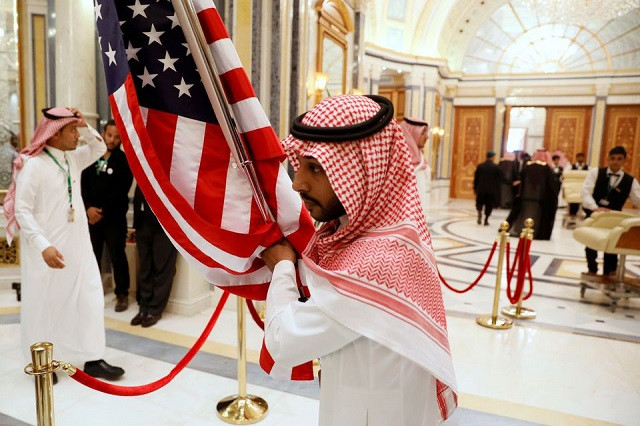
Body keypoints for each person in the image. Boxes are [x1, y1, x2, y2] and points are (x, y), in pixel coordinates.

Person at [261, 95, 457, 425]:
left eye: (316, 168)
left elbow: (284, 342)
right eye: (300, 166)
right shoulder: (387, 231)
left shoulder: (377, 261)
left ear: (362, 172)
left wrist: (281, 266)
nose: (297, 184)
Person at [5, 107, 125, 382]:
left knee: (90, 299)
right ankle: (43, 363)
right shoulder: (34, 166)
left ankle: (93, 357)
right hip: (48, 252)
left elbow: (97, 148)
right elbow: (22, 210)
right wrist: (43, 245)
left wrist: (83, 124)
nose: (76, 135)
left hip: (79, 248)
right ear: (54, 134)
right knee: (45, 306)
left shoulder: (72, 158)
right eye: (71, 130)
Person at [81, 120, 133, 312]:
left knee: (117, 256)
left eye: (117, 137)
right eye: (110, 135)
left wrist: (100, 212)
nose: (112, 140)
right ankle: (92, 293)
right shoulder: (90, 156)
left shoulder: (124, 161)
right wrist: (88, 209)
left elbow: (121, 192)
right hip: (90, 217)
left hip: (113, 219)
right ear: (103, 133)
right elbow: (82, 185)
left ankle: (122, 294)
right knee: (92, 256)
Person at [580, 146, 640, 275]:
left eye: (619, 159)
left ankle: (609, 272)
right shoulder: (595, 173)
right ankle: (592, 269)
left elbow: (638, 200)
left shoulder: (630, 181)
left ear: (624, 161)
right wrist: (595, 207)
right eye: (612, 158)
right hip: (595, 215)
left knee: (612, 248)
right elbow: (585, 192)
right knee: (591, 244)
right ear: (607, 159)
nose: (615, 162)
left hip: (615, 220)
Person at [129, 185, 178, 327]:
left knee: (163, 268)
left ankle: (155, 309)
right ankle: (144, 307)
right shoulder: (144, 164)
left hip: (163, 222)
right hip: (142, 220)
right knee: (145, 267)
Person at [506, 149, 559, 239]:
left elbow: (522, 181)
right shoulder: (546, 168)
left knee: (524, 215)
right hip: (540, 200)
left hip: (525, 198)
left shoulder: (528, 166)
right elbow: (551, 187)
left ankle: (520, 231)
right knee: (536, 218)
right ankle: (534, 233)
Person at [399, 117, 430, 211]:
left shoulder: (422, 160)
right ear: (411, 134)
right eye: (423, 132)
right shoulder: (399, 161)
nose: (427, 137)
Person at [473, 150, 509, 226]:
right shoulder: (496, 167)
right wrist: (512, 183)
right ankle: (486, 220)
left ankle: (479, 215)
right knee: (489, 205)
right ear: (493, 157)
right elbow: (502, 178)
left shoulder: (480, 166)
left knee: (479, 203)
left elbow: (476, 178)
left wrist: (475, 188)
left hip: (481, 189)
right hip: (491, 190)